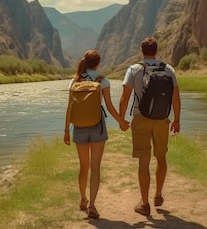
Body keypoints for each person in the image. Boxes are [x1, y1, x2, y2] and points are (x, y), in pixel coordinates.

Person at [64, 49, 130, 219]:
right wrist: (121, 121)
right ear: (98, 63)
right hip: (97, 126)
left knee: (83, 167)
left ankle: (83, 199)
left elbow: (70, 108)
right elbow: (108, 106)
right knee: (95, 168)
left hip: (78, 127)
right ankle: (92, 205)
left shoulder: (75, 80)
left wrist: (65, 130)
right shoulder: (103, 81)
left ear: (84, 62)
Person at [119, 37, 181, 216]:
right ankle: (158, 194)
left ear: (141, 51)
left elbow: (125, 97)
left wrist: (121, 119)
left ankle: (144, 204)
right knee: (161, 158)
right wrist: (176, 120)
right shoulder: (169, 69)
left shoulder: (134, 69)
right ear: (157, 50)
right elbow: (175, 98)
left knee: (144, 161)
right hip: (162, 119)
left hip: (140, 118)